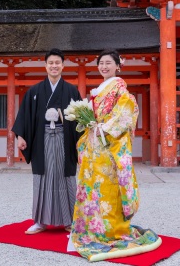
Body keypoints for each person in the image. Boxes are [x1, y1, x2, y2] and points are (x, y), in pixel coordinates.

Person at [69, 50, 161, 261]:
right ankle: (92, 228)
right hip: (95, 149)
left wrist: (102, 127)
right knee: (94, 190)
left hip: (109, 150)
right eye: (101, 63)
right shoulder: (100, 91)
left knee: (109, 192)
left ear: (118, 66)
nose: (104, 67)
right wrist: (89, 123)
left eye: (108, 63)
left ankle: (111, 231)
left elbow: (125, 116)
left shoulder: (122, 93)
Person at [12, 48, 82, 235]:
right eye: (50, 63)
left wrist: (80, 142)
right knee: (42, 179)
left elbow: (80, 120)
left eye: (57, 63)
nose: (54, 66)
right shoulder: (35, 91)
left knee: (65, 178)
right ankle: (40, 221)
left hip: (65, 140)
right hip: (41, 141)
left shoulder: (71, 90)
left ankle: (70, 220)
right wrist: (21, 136)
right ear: (45, 66)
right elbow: (25, 116)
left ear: (62, 66)